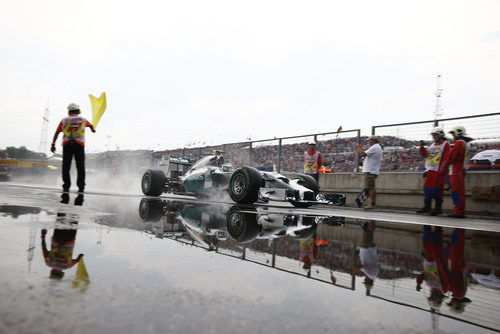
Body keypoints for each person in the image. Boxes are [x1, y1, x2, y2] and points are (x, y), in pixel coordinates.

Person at [51, 103, 95, 193]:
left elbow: (57, 132)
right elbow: (91, 126)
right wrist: (92, 129)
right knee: (80, 167)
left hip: (67, 145)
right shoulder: (83, 120)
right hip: (79, 145)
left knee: (66, 166)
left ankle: (66, 186)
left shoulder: (64, 120)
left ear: (69, 111)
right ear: (78, 111)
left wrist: (53, 144)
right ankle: (81, 187)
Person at [440, 126, 472, 218]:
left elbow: (451, 157)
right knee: (458, 192)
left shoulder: (459, 143)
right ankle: (459, 211)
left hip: (456, 171)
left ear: (458, 133)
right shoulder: (464, 143)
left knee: (456, 192)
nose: (452, 136)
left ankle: (459, 212)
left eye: (453, 134)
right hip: (460, 170)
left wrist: (444, 167)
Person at [417, 127, 451, 215]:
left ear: (441, 135)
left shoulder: (445, 144)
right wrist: (421, 147)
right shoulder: (432, 145)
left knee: (437, 189)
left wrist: (443, 169)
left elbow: (447, 157)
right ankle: (427, 207)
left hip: (439, 171)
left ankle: (438, 208)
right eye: (433, 135)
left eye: (436, 135)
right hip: (431, 170)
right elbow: (425, 155)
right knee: (427, 189)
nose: (434, 137)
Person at [355, 136, 383, 209]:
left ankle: (372, 204)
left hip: (370, 171)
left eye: (369, 140)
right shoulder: (377, 147)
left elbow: (363, 154)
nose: (369, 142)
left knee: (370, 187)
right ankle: (369, 203)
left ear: (373, 140)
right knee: (368, 187)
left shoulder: (375, 147)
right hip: (371, 170)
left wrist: (358, 147)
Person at [352, 220, 379, 295]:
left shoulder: (374, 274)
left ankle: (372, 221)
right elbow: (360, 266)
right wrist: (353, 273)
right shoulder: (371, 274)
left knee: (369, 232)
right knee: (368, 232)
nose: (364, 279)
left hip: (369, 249)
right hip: (367, 248)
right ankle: (372, 219)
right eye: (365, 281)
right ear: (369, 281)